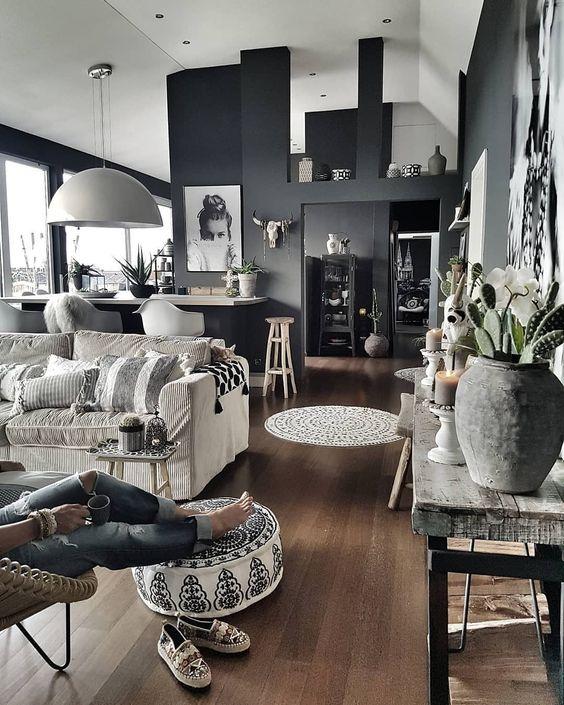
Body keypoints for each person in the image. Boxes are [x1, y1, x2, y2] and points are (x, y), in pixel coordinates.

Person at [0, 470, 253, 578]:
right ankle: (209, 526)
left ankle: (175, 513)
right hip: (6, 564)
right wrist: (44, 523)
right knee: (104, 535)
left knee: (90, 481)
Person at [186, 194, 237, 271]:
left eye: (221, 235)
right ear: (201, 234)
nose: (214, 240)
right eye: (208, 235)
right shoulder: (194, 252)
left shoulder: (233, 252)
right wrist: (191, 252)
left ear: (229, 236)